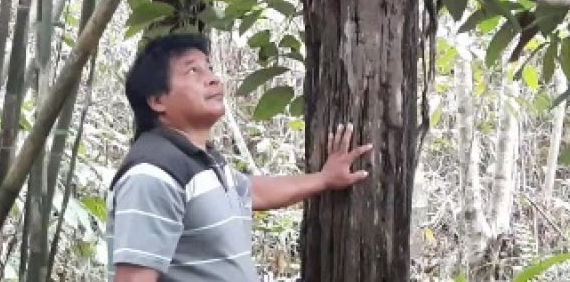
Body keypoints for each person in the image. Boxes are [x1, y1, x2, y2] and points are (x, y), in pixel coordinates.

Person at [106, 33, 372, 281]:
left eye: (208, 68)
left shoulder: (201, 161)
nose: (213, 79)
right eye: (192, 70)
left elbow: (252, 192)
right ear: (157, 100)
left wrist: (325, 178)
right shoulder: (152, 174)